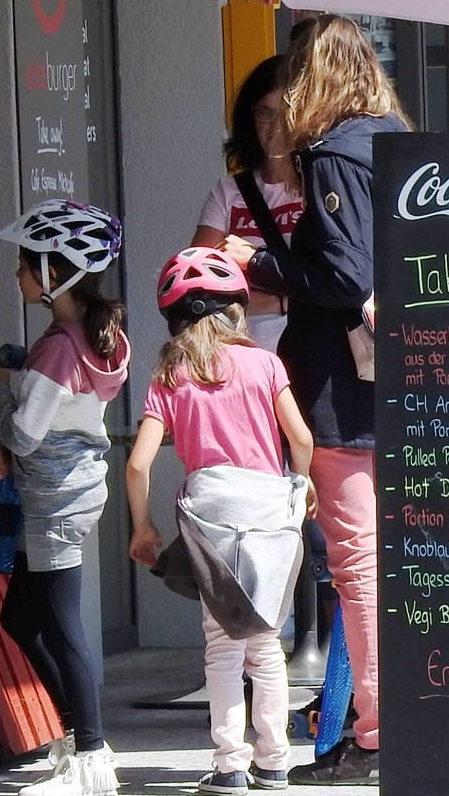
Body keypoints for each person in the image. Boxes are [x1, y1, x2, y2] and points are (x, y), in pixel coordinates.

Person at [228, 14, 408, 786]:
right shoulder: (395, 142)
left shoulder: (333, 155)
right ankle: (393, 718)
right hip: (414, 383)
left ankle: (376, 731)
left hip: (341, 387)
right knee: (394, 561)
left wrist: (259, 263)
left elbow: (342, 275)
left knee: (359, 565)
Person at [128, 247, 315, 794]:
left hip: (210, 513)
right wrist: (302, 487)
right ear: (237, 309)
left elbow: (138, 463)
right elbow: (300, 439)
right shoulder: (265, 364)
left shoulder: (170, 372)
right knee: (266, 645)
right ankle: (275, 761)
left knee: (223, 646)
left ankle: (230, 763)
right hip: (266, 511)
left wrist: (143, 526)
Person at [0, 200, 131, 796]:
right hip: (69, 491)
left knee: (65, 623)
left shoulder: (55, 347)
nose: (18, 274)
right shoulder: (95, 336)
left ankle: (92, 760)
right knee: (19, 616)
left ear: (54, 273)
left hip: (55, 499)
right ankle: (78, 740)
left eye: (25, 264)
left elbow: (22, 433)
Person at [192, 55, 304, 352]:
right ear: (249, 117)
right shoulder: (229, 191)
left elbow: (338, 281)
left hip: (312, 362)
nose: (275, 127)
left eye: (285, 114)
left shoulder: (321, 190)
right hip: (240, 361)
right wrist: (286, 297)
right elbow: (196, 284)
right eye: (265, 113)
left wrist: (260, 295)